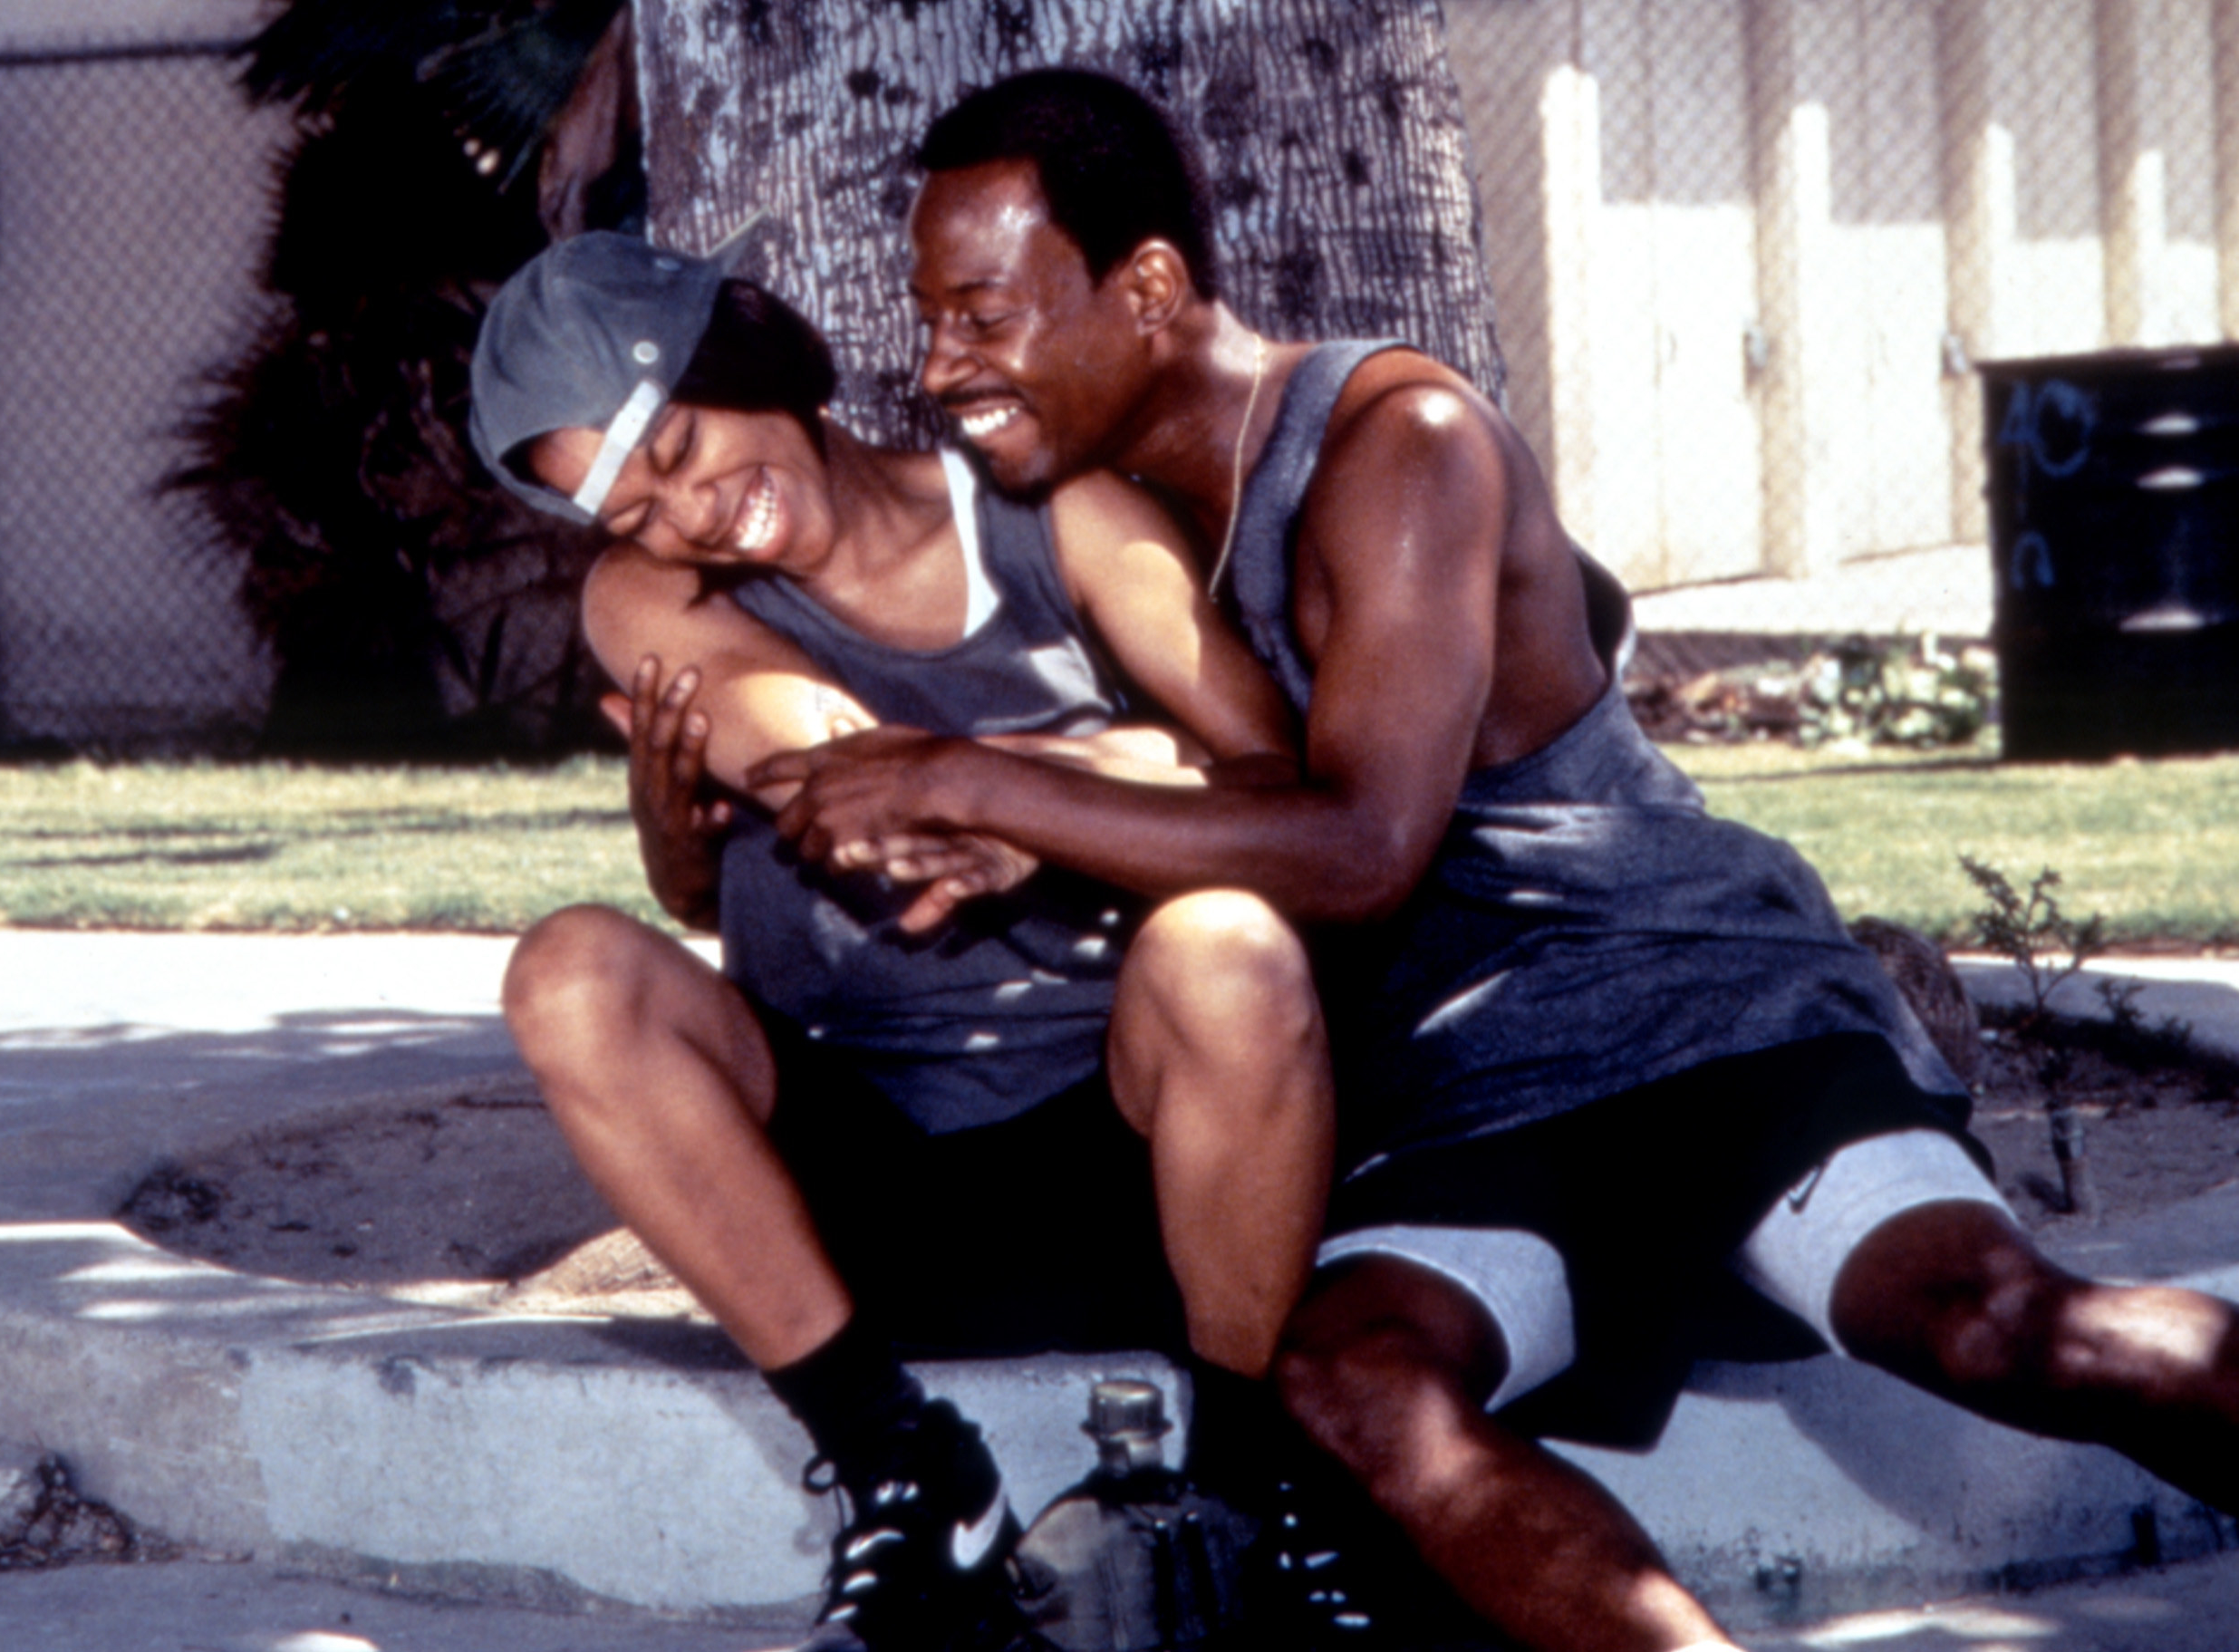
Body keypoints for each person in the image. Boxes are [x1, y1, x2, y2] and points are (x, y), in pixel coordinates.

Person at [748, 68, 2239, 1652]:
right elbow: (1211, 787)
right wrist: (1003, 813)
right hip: (1466, 1081)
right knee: (1355, 1381)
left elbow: (1367, 846)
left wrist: (977, 780)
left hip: (1688, 1006)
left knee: (1987, 1321)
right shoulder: (1119, 520)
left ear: (1153, 286)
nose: (940, 368)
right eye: (932, 324)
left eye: (981, 317)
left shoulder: (1403, 439)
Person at [468, 229, 1347, 1652]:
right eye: (632, 506)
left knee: (1230, 942)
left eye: (685, 441)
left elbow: (1281, 781)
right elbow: (838, 776)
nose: (689, 510)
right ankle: (908, 1473)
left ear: (748, 353)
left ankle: (1243, 1492)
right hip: (856, 1183)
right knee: (570, 970)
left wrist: (1020, 797)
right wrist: (1094, 771)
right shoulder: (647, 602)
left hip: (1140, 1167)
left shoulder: (1060, 516)